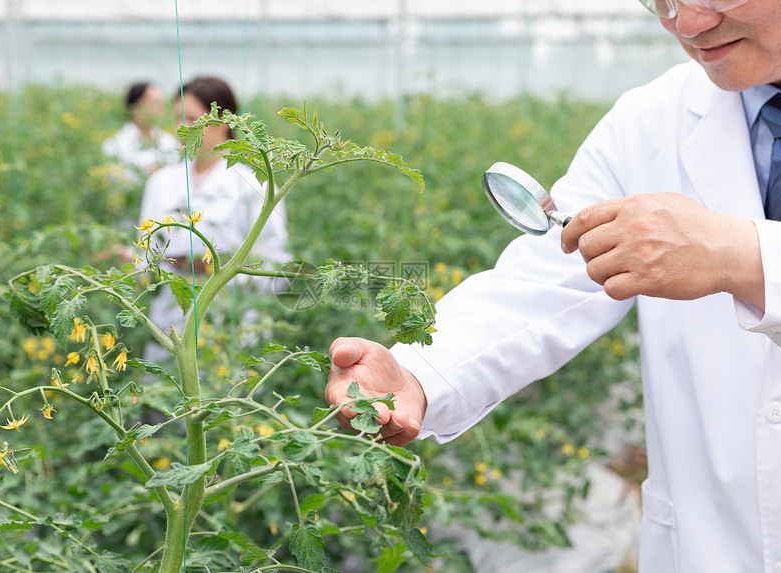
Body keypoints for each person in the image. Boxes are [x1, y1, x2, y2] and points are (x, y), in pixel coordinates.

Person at [324, 1, 781, 571]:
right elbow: (549, 276)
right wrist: (417, 373)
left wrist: (745, 256)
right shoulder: (649, 120)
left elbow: (742, 257)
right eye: (660, 0)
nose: (687, 24)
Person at [138, 76, 289, 361]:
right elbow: (145, 255)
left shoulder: (254, 185)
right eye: (177, 118)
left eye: (192, 119)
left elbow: (275, 266)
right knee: (166, 397)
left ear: (222, 122)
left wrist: (218, 269)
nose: (181, 129)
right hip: (170, 325)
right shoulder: (160, 182)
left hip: (231, 330)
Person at [103, 81, 180, 181]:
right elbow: (114, 182)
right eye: (154, 104)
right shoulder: (115, 145)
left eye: (161, 104)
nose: (161, 110)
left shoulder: (169, 142)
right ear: (135, 108)